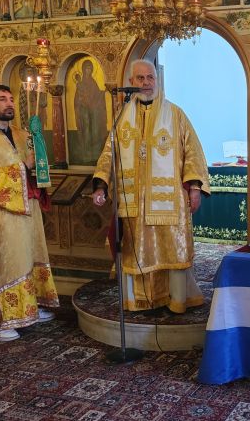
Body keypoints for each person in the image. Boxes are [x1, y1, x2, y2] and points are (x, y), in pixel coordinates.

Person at [92, 59, 210, 314]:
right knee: (136, 252)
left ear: (157, 80)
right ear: (131, 82)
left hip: (170, 202)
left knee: (172, 252)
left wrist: (195, 188)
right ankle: (140, 300)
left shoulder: (175, 114)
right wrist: (101, 185)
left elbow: (193, 152)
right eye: (140, 78)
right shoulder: (122, 117)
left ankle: (175, 299)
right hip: (133, 203)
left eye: (150, 77)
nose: (146, 83)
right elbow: (108, 154)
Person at [0, 84, 59, 342]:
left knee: (31, 255)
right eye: (2, 99)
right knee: (9, 262)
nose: (9, 103)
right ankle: (4, 319)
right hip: (2, 214)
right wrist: (24, 166)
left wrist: (39, 148)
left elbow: (37, 168)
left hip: (28, 208)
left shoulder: (22, 134)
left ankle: (30, 305)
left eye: (11, 99)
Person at [74, 59, 108, 165]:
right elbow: (77, 99)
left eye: (90, 68)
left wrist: (103, 93)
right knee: (86, 132)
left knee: (95, 131)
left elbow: (96, 94)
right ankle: (86, 155)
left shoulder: (93, 82)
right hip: (84, 112)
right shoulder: (80, 84)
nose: (88, 71)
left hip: (93, 112)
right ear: (83, 70)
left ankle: (96, 154)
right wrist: (81, 102)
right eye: (86, 68)